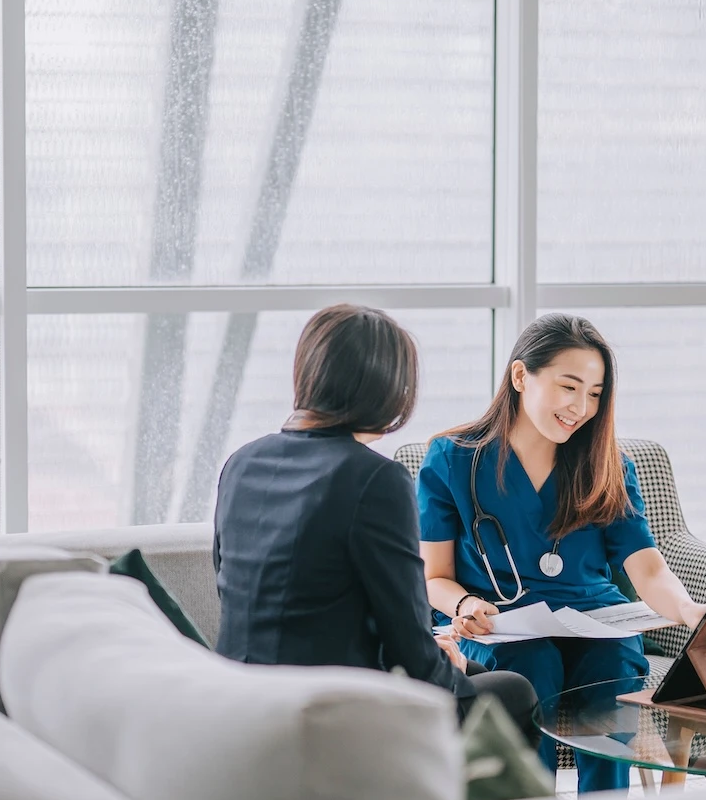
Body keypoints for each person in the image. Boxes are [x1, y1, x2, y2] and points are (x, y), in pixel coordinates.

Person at [212, 304, 540, 745]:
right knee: (514, 692)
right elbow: (407, 639)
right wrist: (443, 668)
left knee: (476, 672)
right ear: (388, 388)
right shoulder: (375, 479)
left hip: (241, 693)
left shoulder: (241, 463)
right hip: (332, 704)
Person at [418, 313, 706, 792]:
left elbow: (647, 566)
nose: (581, 407)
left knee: (613, 667)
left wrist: (687, 609)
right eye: (568, 386)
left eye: (594, 394)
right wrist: (465, 605)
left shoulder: (608, 466)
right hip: (501, 625)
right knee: (533, 667)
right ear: (519, 376)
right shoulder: (452, 459)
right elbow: (435, 578)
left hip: (596, 620)